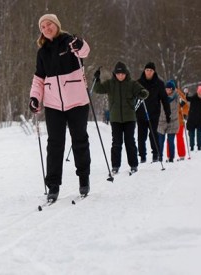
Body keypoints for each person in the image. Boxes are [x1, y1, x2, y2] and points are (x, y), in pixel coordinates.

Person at [28, 14, 91, 201]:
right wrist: (34, 97)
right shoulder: (42, 52)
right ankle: (53, 186)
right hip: (53, 104)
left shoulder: (70, 42)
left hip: (77, 102)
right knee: (54, 145)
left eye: (49, 25)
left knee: (79, 141)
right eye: (43, 27)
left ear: (56, 25)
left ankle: (84, 179)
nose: (46, 28)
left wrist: (80, 44)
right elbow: (39, 79)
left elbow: (85, 51)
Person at [93, 62, 149, 174]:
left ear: (126, 73)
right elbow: (97, 89)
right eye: (118, 74)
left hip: (129, 118)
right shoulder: (110, 84)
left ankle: (133, 164)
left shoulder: (132, 84)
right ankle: (115, 165)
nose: (120, 76)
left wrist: (142, 94)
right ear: (115, 74)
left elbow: (145, 92)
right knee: (116, 142)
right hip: (115, 119)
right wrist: (96, 79)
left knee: (130, 141)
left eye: (122, 74)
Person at [136, 62, 170, 163]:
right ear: (144, 71)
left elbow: (164, 99)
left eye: (151, 70)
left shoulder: (159, 83)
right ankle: (142, 156)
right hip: (141, 113)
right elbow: (132, 98)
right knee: (141, 136)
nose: (148, 72)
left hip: (154, 114)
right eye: (147, 70)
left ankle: (156, 154)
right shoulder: (138, 83)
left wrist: (168, 113)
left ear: (154, 71)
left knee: (153, 135)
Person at [157, 80, 180, 163]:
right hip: (161, 121)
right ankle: (160, 157)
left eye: (169, 89)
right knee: (160, 141)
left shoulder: (176, 96)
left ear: (172, 89)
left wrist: (182, 103)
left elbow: (183, 102)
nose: (167, 91)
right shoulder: (161, 96)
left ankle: (171, 157)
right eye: (166, 89)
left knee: (170, 141)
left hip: (172, 122)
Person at [186, 85, 201, 151]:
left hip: (200, 119)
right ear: (197, 92)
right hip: (192, 118)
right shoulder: (194, 98)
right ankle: (191, 147)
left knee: (199, 133)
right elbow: (187, 98)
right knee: (191, 133)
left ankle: (199, 146)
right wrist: (186, 93)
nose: (200, 95)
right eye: (199, 93)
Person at [174, 84, 189, 161]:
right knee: (170, 139)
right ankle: (170, 156)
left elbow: (186, 106)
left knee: (179, 138)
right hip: (170, 121)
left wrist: (185, 114)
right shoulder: (166, 94)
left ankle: (182, 155)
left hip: (179, 120)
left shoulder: (179, 94)